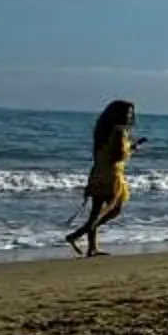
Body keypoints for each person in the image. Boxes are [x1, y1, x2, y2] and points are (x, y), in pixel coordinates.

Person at [65, 100, 142, 256]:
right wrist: (132, 148)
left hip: (98, 172)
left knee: (95, 212)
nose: (128, 116)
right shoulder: (119, 131)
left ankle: (92, 247)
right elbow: (118, 156)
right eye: (126, 113)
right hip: (112, 175)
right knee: (114, 210)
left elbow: (103, 153)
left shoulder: (102, 129)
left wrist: (129, 147)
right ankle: (76, 235)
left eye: (130, 113)